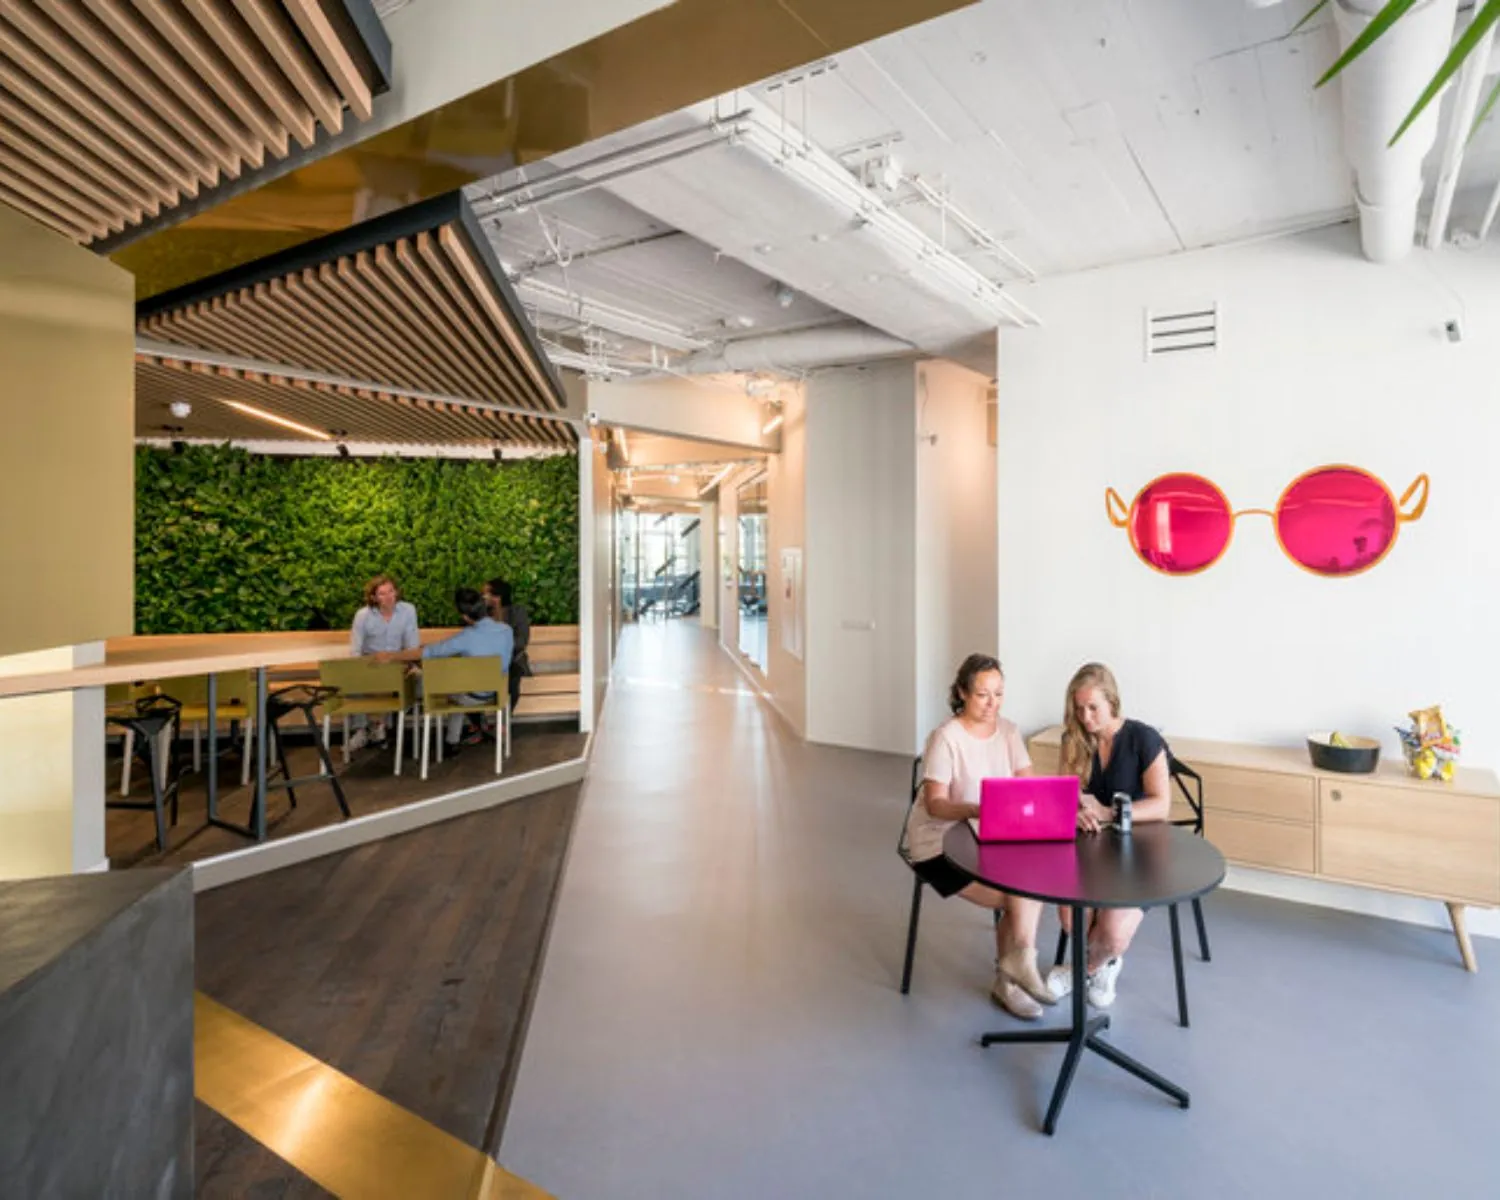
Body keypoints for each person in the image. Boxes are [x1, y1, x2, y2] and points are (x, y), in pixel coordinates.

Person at [905, 654, 1055, 1020]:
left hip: (990, 833)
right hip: (938, 843)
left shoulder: (1009, 732)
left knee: (1031, 885)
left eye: (999, 694)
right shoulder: (946, 737)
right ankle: (1011, 976)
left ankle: (1016, 968)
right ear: (962, 693)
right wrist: (976, 809)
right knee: (1019, 897)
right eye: (983, 695)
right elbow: (936, 804)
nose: (992, 704)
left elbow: (1028, 786)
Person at [1046, 662, 1172, 1009]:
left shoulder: (1143, 739)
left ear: (1112, 702)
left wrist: (1106, 812)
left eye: (1093, 708)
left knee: (1113, 935)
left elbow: (1161, 805)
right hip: (1089, 850)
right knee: (1071, 917)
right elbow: (1064, 796)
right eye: (1079, 708)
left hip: (1139, 855)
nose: (1085, 717)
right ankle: (1101, 964)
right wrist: (1075, 810)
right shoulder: (1074, 739)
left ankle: (1085, 969)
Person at [375, 588, 512, 753]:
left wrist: (391, 656)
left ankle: (397, 725)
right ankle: (451, 741)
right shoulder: (506, 630)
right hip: (496, 693)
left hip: (470, 696)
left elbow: (428, 653)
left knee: (426, 681)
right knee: (458, 685)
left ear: (465, 616)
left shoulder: (465, 637)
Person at [347, 575, 419, 750]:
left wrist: (404, 660)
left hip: (397, 663)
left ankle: (381, 725)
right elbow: (355, 651)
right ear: (373, 597)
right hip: (371, 664)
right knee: (349, 680)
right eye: (382, 594)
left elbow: (412, 645)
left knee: (414, 678)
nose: (388, 597)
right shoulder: (363, 616)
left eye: (391, 591)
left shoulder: (408, 610)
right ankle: (361, 728)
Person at [483, 577, 529, 714]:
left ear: (498, 595)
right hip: (487, 661)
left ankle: (505, 719)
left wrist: (498, 610)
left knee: (512, 677)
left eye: (486, 593)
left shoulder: (517, 612)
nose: (483, 597)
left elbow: (522, 641)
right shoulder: (481, 614)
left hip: (513, 659)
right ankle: (480, 723)